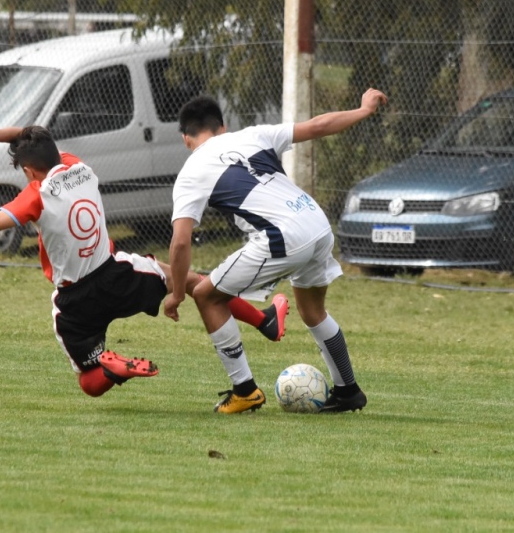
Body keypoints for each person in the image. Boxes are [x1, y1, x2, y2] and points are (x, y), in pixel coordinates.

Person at [0, 125, 288, 399]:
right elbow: (37, 135)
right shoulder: (79, 166)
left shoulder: (35, 195)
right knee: (196, 282)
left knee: (89, 382)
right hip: (117, 274)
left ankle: (115, 369)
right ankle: (262, 320)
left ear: (28, 170)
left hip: (76, 300)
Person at [165, 90, 388, 414]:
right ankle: (348, 391)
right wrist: (362, 110)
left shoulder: (190, 173)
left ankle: (245, 390)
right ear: (223, 127)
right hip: (316, 221)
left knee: (206, 295)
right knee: (313, 312)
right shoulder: (253, 134)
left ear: (186, 139)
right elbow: (317, 126)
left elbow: (181, 241)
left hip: (282, 235)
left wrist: (176, 296)